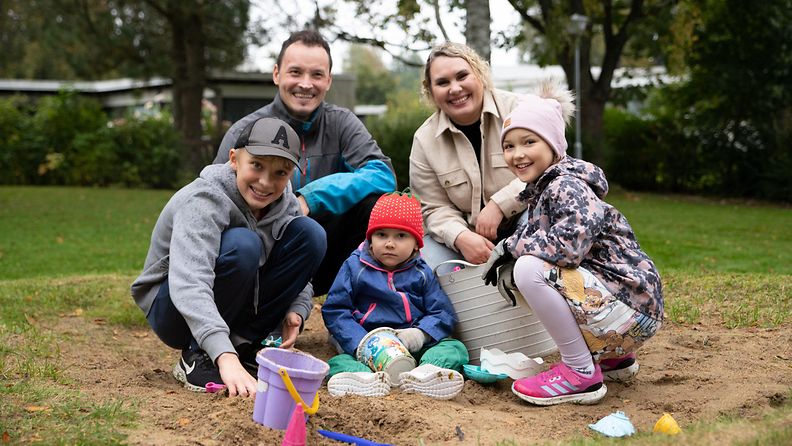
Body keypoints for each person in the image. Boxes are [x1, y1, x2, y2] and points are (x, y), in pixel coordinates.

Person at [481, 80, 663, 406]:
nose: (517, 154)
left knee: (527, 270)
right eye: (509, 146)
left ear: (553, 144)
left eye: (529, 142)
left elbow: (568, 248)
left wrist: (510, 247)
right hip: (633, 306)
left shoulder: (565, 185)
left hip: (630, 308)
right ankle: (613, 360)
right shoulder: (546, 187)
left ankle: (580, 371)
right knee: (530, 264)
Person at [131, 117, 326, 397]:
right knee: (243, 244)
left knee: (311, 234)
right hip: (173, 307)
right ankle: (199, 355)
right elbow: (190, 281)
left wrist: (297, 308)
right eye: (256, 165)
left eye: (280, 173)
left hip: (234, 299)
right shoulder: (204, 199)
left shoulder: (286, 203)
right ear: (234, 159)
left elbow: (302, 275)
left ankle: (244, 346)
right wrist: (224, 355)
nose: (265, 182)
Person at [214, 30, 396, 296]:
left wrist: (311, 198)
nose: (306, 84)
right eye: (296, 72)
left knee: (377, 205)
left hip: (327, 255)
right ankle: (254, 308)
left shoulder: (342, 123)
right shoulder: (245, 130)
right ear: (277, 74)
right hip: (263, 257)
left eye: (317, 75)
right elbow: (213, 199)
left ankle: (358, 306)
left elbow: (382, 175)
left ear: (329, 80)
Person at [321, 191, 468, 400]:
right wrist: (360, 342)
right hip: (367, 345)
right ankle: (362, 379)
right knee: (339, 361)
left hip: (409, 343)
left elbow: (442, 312)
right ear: (370, 238)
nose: (389, 243)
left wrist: (420, 334)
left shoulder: (422, 272)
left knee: (454, 348)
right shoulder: (355, 267)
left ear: (417, 243)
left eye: (400, 236)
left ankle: (423, 374)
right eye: (381, 235)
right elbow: (335, 309)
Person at [410, 42, 526, 272]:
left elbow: (548, 170)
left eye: (462, 76)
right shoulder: (424, 140)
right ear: (431, 91)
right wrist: (461, 237)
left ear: (480, 74)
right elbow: (432, 207)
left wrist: (499, 206)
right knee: (423, 267)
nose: (455, 89)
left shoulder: (518, 110)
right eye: (442, 82)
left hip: (527, 221)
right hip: (467, 238)